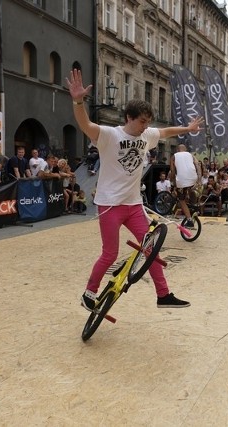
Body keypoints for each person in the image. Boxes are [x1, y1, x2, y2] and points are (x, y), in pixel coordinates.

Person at [66, 68, 201, 310]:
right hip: (110, 204)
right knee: (110, 253)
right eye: (142, 121)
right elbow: (84, 123)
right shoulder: (108, 135)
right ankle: (89, 293)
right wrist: (78, 100)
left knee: (151, 249)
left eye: (147, 122)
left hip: (133, 205)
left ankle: (163, 294)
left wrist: (187, 129)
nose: (145, 126)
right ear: (129, 117)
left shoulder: (146, 135)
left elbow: (166, 131)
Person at [170, 144, 201, 226]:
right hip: (193, 178)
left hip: (182, 180)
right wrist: (199, 179)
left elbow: (173, 172)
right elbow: (198, 165)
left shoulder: (174, 156)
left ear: (177, 150)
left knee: (181, 200)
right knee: (190, 189)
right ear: (186, 149)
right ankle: (194, 206)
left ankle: (189, 220)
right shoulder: (191, 155)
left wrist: (172, 182)